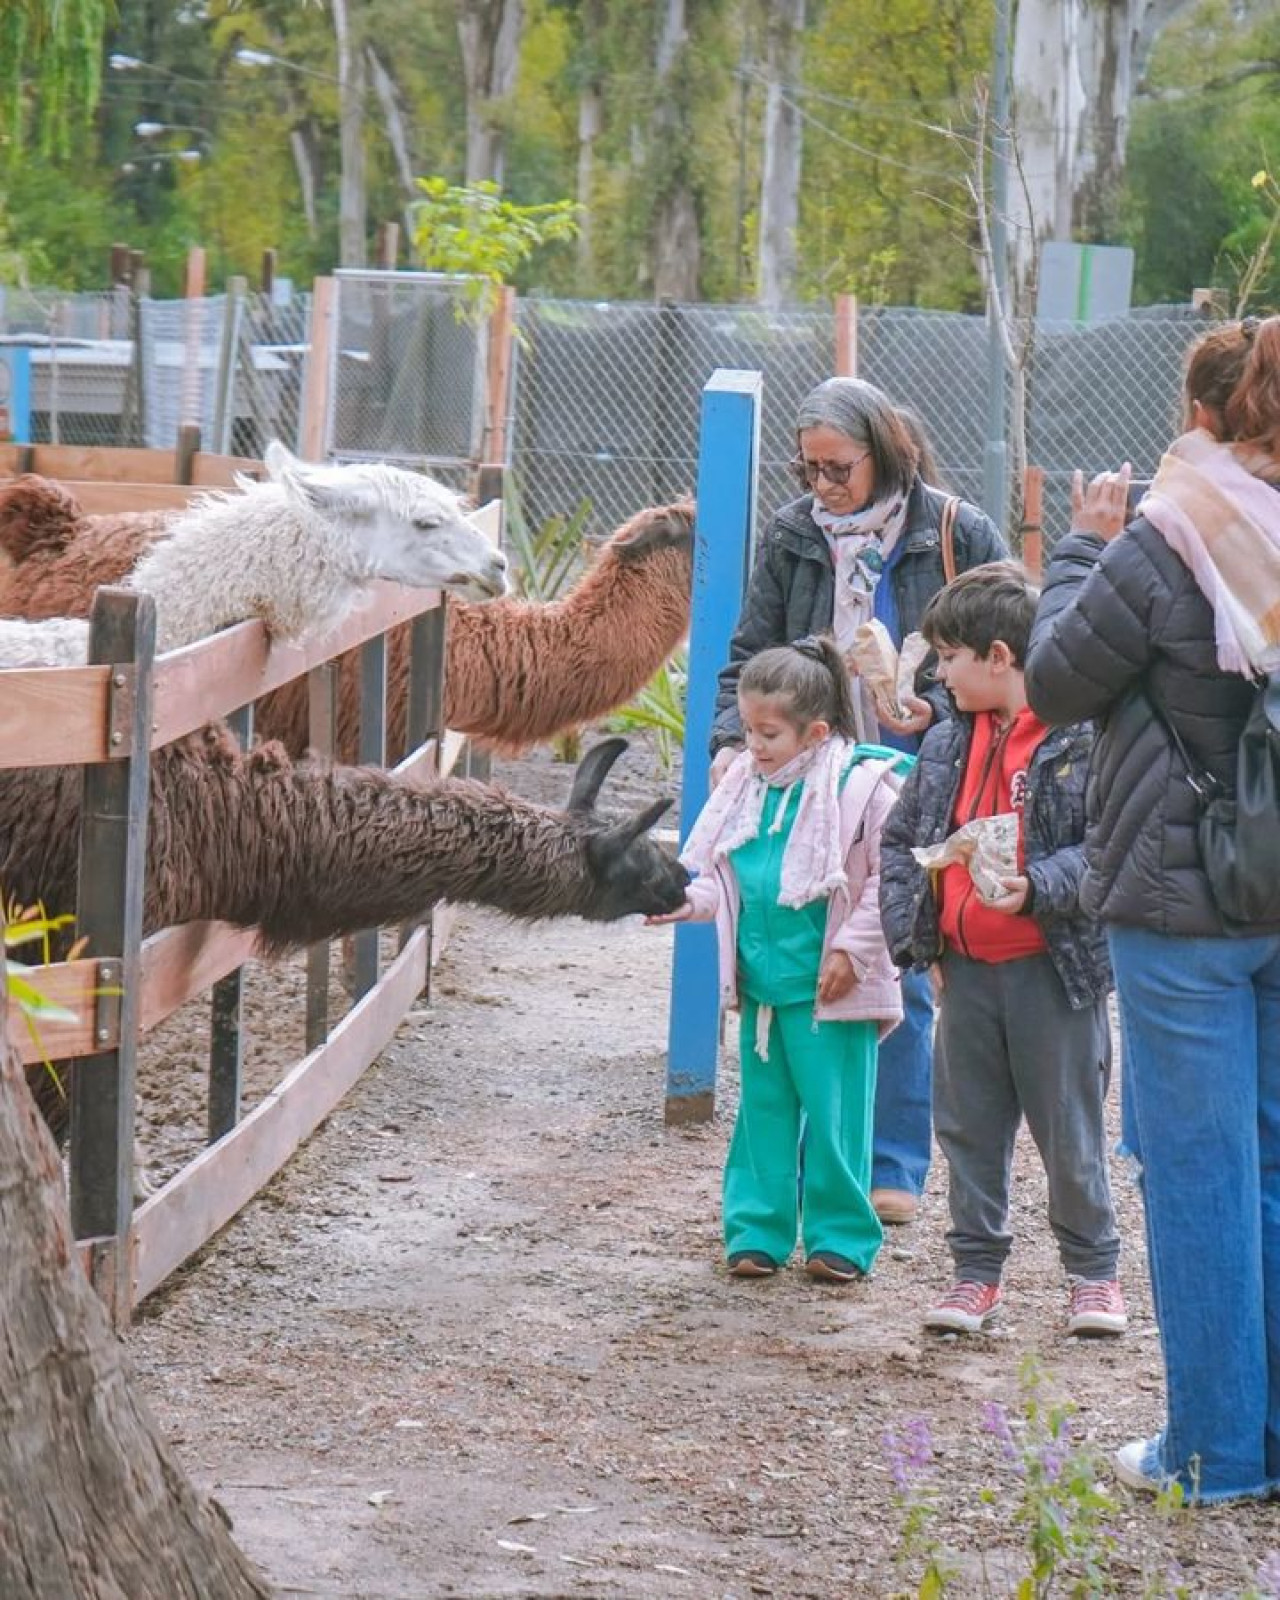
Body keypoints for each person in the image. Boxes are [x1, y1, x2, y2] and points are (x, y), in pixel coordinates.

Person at [1024, 317, 1280, 1501]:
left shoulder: (1169, 537)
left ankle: (1213, 1451)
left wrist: (1079, 550)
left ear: (1211, 414)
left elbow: (1053, 680)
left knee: (1193, 1170)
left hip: (1184, 909)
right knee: (1269, 1163)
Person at [709, 378, 1007, 1227]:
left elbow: (1004, 651)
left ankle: (893, 1163)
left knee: (899, 959)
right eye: (809, 470)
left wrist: (934, 715)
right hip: (812, 782)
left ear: (885, 450)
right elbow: (748, 653)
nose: (823, 487)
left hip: (917, 774)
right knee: (808, 966)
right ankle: (811, 1165)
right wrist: (735, 741)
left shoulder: (951, 531)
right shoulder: (794, 534)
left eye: (838, 469)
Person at [878, 562, 1124, 1337]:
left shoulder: (1080, 740)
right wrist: (920, 938)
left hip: (1053, 974)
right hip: (967, 976)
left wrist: (1037, 886)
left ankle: (1094, 1274)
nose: (938, 672)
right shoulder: (947, 743)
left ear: (998, 656)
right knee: (969, 1129)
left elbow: (1108, 849)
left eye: (948, 657)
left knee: (1068, 1130)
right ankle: (975, 1274)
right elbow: (898, 842)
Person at [650, 636, 905, 1282]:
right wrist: (681, 902)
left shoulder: (863, 787)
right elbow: (717, 874)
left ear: (815, 732)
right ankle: (757, 1230)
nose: (753, 746)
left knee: (836, 1112)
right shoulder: (743, 787)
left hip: (831, 987)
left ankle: (839, 1239)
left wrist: (853, 948)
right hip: (764, 986)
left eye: (768, 734)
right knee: (762, 1109)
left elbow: (890, 878)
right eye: (748, 729)